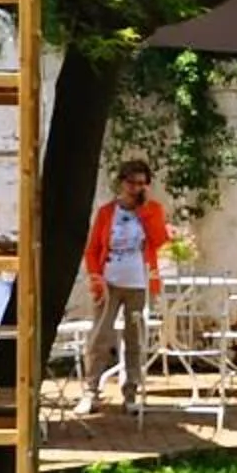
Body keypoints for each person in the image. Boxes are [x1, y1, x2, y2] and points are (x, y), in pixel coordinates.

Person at [76, 159, 168, 415]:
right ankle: (91, 391)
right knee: (100, 336)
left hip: (139, 281)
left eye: (141, 183)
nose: (135, 188)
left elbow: (160, 240)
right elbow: (93, 248)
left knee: (135, 337)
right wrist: (95, 276)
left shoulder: (152, 209)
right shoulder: (107, 212)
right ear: (122, 182)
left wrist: (145, 211)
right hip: (109, 282)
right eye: (131, 182)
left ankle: (131, 393)